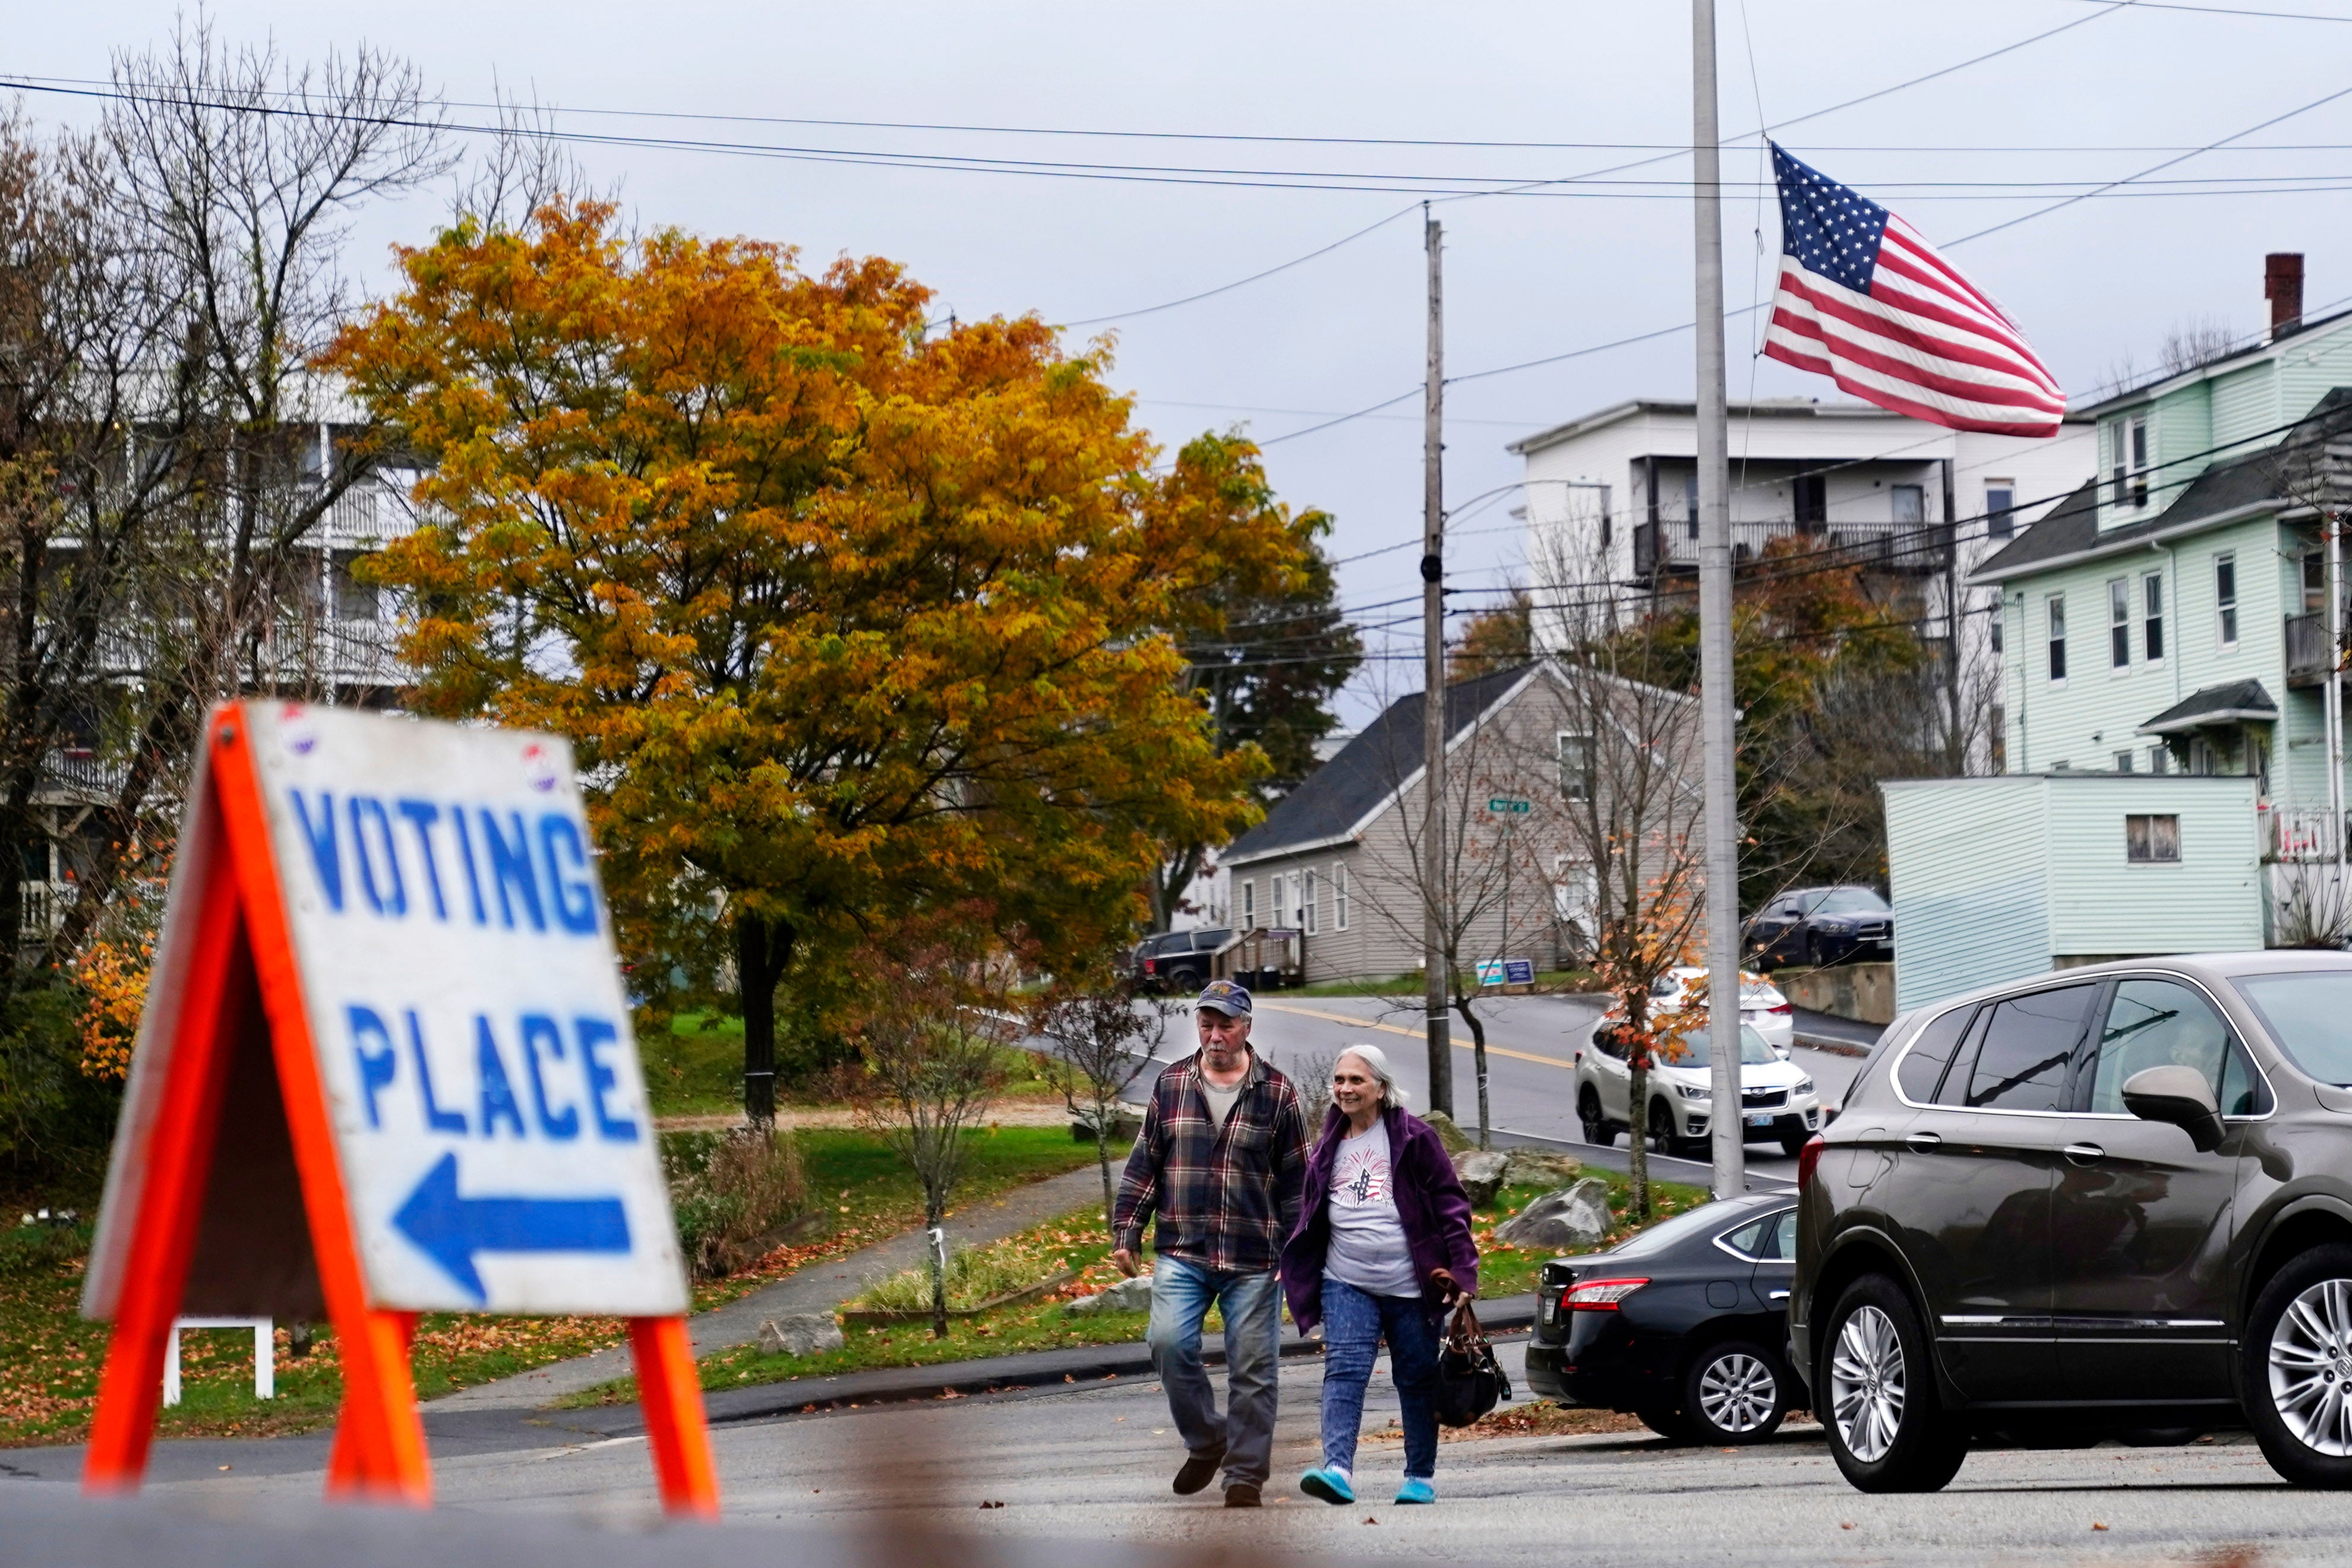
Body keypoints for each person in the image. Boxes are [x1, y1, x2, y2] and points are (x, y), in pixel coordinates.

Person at [1112, 979, 1309, 1509]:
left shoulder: (1278, 1093)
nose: (1215, 1035)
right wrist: (1127, 1228)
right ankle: (1207, 1438)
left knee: (1252, 1368)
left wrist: (1298, 1254)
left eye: (1226, 1025)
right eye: (1206, 1024)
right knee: (1168, 1343)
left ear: (1246, 1027)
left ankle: (1244, 1475)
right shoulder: (1171, 1084)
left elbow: (1297, 1184)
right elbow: (1145, 1164)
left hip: (1254, 1256)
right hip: (1185, 1247)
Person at [1279, 1044, 1477, 1507]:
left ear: (1380, 1088)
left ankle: (1419, 1478)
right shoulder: (1330, 1142)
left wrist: (1463, 1271)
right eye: (1339, 1080)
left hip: (1412, 1284)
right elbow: (1311, 1208)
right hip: (1345, 1279)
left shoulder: (1414, 1137)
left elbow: (1451, 1203)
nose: (1345, 1089)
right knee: (1344, 1371)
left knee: (1415, 1377)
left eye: (1355, 1081)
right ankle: (1337, 1471)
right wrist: (1298, 1259)